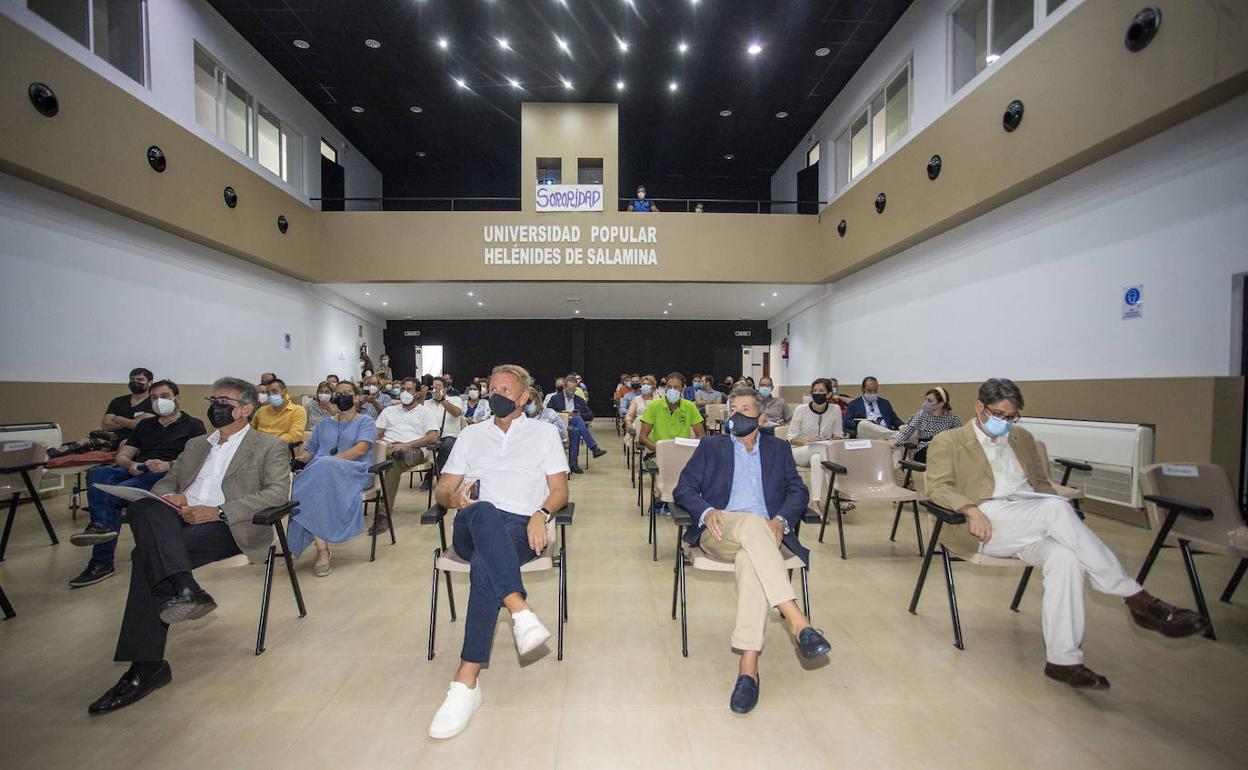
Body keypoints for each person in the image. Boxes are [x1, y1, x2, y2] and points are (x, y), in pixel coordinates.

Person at [925, 378, 1208, 689]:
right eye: (999, 415)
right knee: (1057, 510)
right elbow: (937, 487)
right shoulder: (949, 441)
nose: (1005, 423)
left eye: (1012, 417)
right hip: (984, 522)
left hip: (1029, 518)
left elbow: (1041, 486)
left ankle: (1064, 660)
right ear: (980, 407)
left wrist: (1051, 500)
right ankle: (1134, 596)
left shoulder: (1022, 438)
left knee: (1065, 556)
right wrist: (969, 509)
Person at [85, 377, 288, 715]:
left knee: (143, 555)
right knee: (145, 506)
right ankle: (185, 586)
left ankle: (147, 667)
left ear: (246, 409)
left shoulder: (268, 445)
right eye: (214, 398)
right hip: (177, 518)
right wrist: (171, 496)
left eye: (224, 400)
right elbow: (168, 479)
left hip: (226, 526)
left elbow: (276, 494)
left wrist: (217, 511)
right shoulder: (196, 444)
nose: (215, 405)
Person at [427, 364, 569, 740]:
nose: (497, 394)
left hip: (523, 528)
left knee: (483, 566)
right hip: (472, 523)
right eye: (493, 388)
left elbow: (559, 492)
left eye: (507, 389)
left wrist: (541, 514)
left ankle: (466, 682)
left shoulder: (544, 434)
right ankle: (519, 609)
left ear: (524, 398)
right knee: (485, 510)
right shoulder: (471, 435)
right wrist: (454, 497)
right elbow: (443, 490)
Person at [673, 387, 831, 714]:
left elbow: (796, 491)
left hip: (765, 537)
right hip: (722, 530)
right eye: (733, 410)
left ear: (761, 416)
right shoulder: (711, 446)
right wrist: (705, 510)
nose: (738, 415)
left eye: (746, 409)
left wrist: (782, 521)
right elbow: (683, 488)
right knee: (749, 525)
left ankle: (748, 668)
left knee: (752, 559)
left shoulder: (777, 448)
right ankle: (798, 621)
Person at [69, 380, 207, 588]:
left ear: (177, 398)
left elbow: (197, 459)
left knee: (115, 494)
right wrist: (131, 463)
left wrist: (167, 464)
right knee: (98, 476)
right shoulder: (145, 425)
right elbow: (124, 454)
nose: (159, 401)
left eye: (164, 396)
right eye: (154, 398)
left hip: (169, 471)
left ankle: (101, 560)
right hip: (140, 466)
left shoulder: (193, 425)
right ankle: (102, 527)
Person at [288, 381, 376, 577]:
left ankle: (321, 549)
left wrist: (328, 462)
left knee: (319, 472)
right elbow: (310, 451)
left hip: (353, 471)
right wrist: (300, 460)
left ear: (355, 397)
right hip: (322, 473)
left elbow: (361, 449)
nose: (341, 396)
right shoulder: (324, 424)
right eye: (338, 393)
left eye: (347, 393)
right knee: (313, 485)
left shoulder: (365, 422)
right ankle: (322, 548)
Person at [374, 377, 440, 528]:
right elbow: (375, 433)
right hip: (389, 447)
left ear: (417, 393)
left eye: (409, 389)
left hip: (414, 450)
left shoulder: (425, 412)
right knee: (388, 461)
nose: (405, 392)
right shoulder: (389, 411)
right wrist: (387, 444)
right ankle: (395, 453)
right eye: (403, 389)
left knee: (393, 464)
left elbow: (432, 437)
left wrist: (405, 445)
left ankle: (384, 514)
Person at [787, 378, 844, 514]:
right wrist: (808, 441)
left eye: (822, 391)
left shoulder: (835, 410)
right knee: (820, 450)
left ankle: (815, 503)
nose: (817, 393)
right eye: (815, 391)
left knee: (817, 458)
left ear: (829, 394)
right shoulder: (801, 410)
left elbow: (838, 436)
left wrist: (826, 439)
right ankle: (838, 494)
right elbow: (791, 438)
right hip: (799, 451)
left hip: (821, 451)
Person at [545, 373, 608, 473]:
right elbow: (548, 412)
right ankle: (593, 447)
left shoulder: (579, 400)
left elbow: (590, 415)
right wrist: (562, 412)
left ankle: (573, 464)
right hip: (560, 423)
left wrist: (580, 413)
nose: (572, 392)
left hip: (572, 425)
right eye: (570, 389)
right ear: (565, 387)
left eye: (574, 390)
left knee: (576, 430)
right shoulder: (556, 398)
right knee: (578, 420)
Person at [638, 373, 706, 452]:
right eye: (669, 387)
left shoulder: (690, 406)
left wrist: (691, 451)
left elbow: (701, 435)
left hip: (683, 452)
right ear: (665, 388)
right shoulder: (654, 405)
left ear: (683, 389)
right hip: (659, 452)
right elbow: (642, 437)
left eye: (676, 387)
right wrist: (658, 450)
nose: (672, 390)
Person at [893, 386, 961, 462]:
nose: (925, 403)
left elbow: (959, 438)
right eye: (926, 399)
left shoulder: (952, 418)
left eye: (929, 401)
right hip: (923, 450)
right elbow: (908, 430)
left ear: (940, 404)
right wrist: (895, 443)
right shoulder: (922, 414)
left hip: (944, 449)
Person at [101, 367, 155, 442]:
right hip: (113, 439)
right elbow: (106, 425)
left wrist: (118, 418)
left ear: (150, 383)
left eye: (140, 379)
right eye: (132, 379)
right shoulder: (117, 401)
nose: (135, 382)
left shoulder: (154, 402)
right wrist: (132, 422)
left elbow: (140, 426)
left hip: (139, 441)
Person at [251, 378, 307, 447]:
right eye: (268, 393)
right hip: (257, 446)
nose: (271, 394)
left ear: (284, 391)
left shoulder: (298, 411)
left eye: (274, 391)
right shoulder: (261, 410)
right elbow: (251, 430)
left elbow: (295, 435)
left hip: (279, 447)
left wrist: (272, 443)